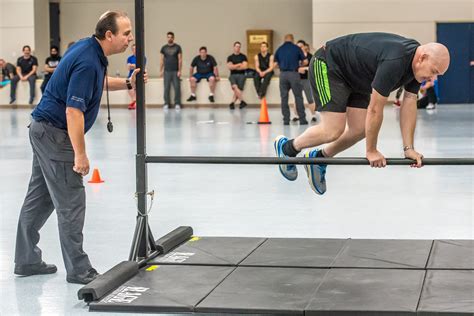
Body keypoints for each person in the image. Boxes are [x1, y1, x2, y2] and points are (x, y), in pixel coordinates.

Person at [14, 10, 145, 284]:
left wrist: (129, 83)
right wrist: (80, 155)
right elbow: (74, 111)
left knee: (39, 199)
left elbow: (97, 83)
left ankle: (26, 260)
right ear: (109, 35)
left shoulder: (90, 51)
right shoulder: (88, 60)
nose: (130, 39)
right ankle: (79, 270)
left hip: (41, 130)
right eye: (126, 33)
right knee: (71, 202)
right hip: (55, 134)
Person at [274, 32, 450, 195]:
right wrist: (371, 150)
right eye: (434, 71)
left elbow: (409, 103)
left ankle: (319, 158)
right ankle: (287, 147)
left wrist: (408, 149)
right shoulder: (396, 60)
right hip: (329, 64)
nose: (433, 78)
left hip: (357, 78)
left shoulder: (416, 68)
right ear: (423, 58)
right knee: (333, 129)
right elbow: (374, 109)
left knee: (359, 129)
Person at [274, 34, 308, 125]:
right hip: (294, 74)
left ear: (284, 39)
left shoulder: (279, 49)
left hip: (283, 75)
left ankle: (286, 120)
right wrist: (298, 65)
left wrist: (282, 66)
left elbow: (275, 64)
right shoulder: (296, 48)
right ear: (292, 39)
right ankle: (302, 119)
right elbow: (305, 61)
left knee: (284, 98)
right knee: (298, 97)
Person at [291, 40, 317, 122]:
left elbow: (313, 68)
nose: (299, 48)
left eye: (301, 46)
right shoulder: (294, 56)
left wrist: (305, 68)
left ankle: (314, 115)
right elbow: (292, 67)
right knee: (297, 98)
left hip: (306, 80)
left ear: (304, 47)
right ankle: (296, 115)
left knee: (310, 98)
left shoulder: (310, 56)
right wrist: (298, 69)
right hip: (297, 80)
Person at [160, 32, 182, 110]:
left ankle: (177, 103)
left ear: (173, 38)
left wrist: (179, 70)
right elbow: (162, 60)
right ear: (167, 38)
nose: (170, 38)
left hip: (175, 71)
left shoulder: (178, 47)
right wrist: (161, 70)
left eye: (171, 37)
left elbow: (180, 59)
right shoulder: (164, 48)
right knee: (166, 88)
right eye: (168, 37)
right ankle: (166, 103)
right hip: (166, 71)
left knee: (177, 88)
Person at [227, 41, 248, 109]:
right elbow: (230, 67)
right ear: (234, 47)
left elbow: (244, 67)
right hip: (232, 75)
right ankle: (242, 101)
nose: (238, 48)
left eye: (239, 46)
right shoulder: (230, 57)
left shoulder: (243, 56)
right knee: (235, 87)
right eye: (236, 46)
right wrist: (239, 65)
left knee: (238, 89)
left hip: (242, 75)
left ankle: (232, 103)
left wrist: (234, 66)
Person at [126, 43, 147, 110]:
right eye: (133, 49)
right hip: (131, 76)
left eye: (136, 49)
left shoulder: (143, 57)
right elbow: (129, 67)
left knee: (138, 91)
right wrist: (135, 65)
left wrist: (133, 66)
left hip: (139, 76)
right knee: (129, 88)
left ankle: (135, 103)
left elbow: (141, 66)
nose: (134, 50)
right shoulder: (129, 58)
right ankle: (134, 101)